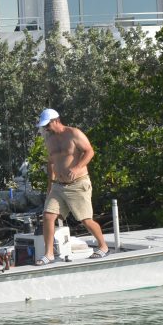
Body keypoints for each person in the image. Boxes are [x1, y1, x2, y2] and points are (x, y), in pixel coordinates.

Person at [35, 108, 108, 265]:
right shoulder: (49, 139)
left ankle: (103, 246)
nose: (46, 128)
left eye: (47, 125)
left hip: (78, 183)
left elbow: (89, 151)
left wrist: (77, 167)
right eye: (44, 126)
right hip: (58, 186)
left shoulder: (74, 133)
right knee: (48, 217)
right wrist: (50, 184)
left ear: (56, 121)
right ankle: (49, 254)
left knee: (85, 220)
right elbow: (51, 162)